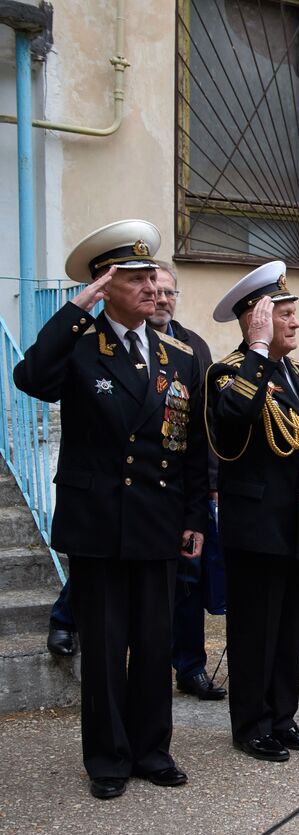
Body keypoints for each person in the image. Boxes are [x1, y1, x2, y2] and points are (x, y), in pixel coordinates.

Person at [14, 220, 207, 799]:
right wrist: (77, 309)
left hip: (158, 520)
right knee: (103, 647)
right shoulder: (79, 345)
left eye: (153, 277)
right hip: (98, 521)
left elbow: (193, 445)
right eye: (136, 278)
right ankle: (107, 758)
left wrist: (195, 518)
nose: (152, 288)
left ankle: (152, 750)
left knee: (153, 642)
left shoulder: (178, 354)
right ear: (104, 286)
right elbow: (31, 377)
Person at [206, 262, 299, 762]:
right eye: (284, 314)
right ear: (256, 319)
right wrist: (256, 351)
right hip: (256, 527)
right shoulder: (228, 373)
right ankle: (251, 725)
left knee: (290, 630)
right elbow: (233, 421)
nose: (295, 322)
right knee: (255, 630)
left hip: (296, 525)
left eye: (294, 312)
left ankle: (282, 717)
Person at [148, 262, 227, 702]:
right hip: (136, 483)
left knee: (190, 577)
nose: (162, 299)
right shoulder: (119, 345)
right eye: (155, 290)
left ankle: (190, 667)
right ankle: (66, 619)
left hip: (183, 484)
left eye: (169, 293)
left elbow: (206, 420)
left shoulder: (193, 345)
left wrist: (211, 480)